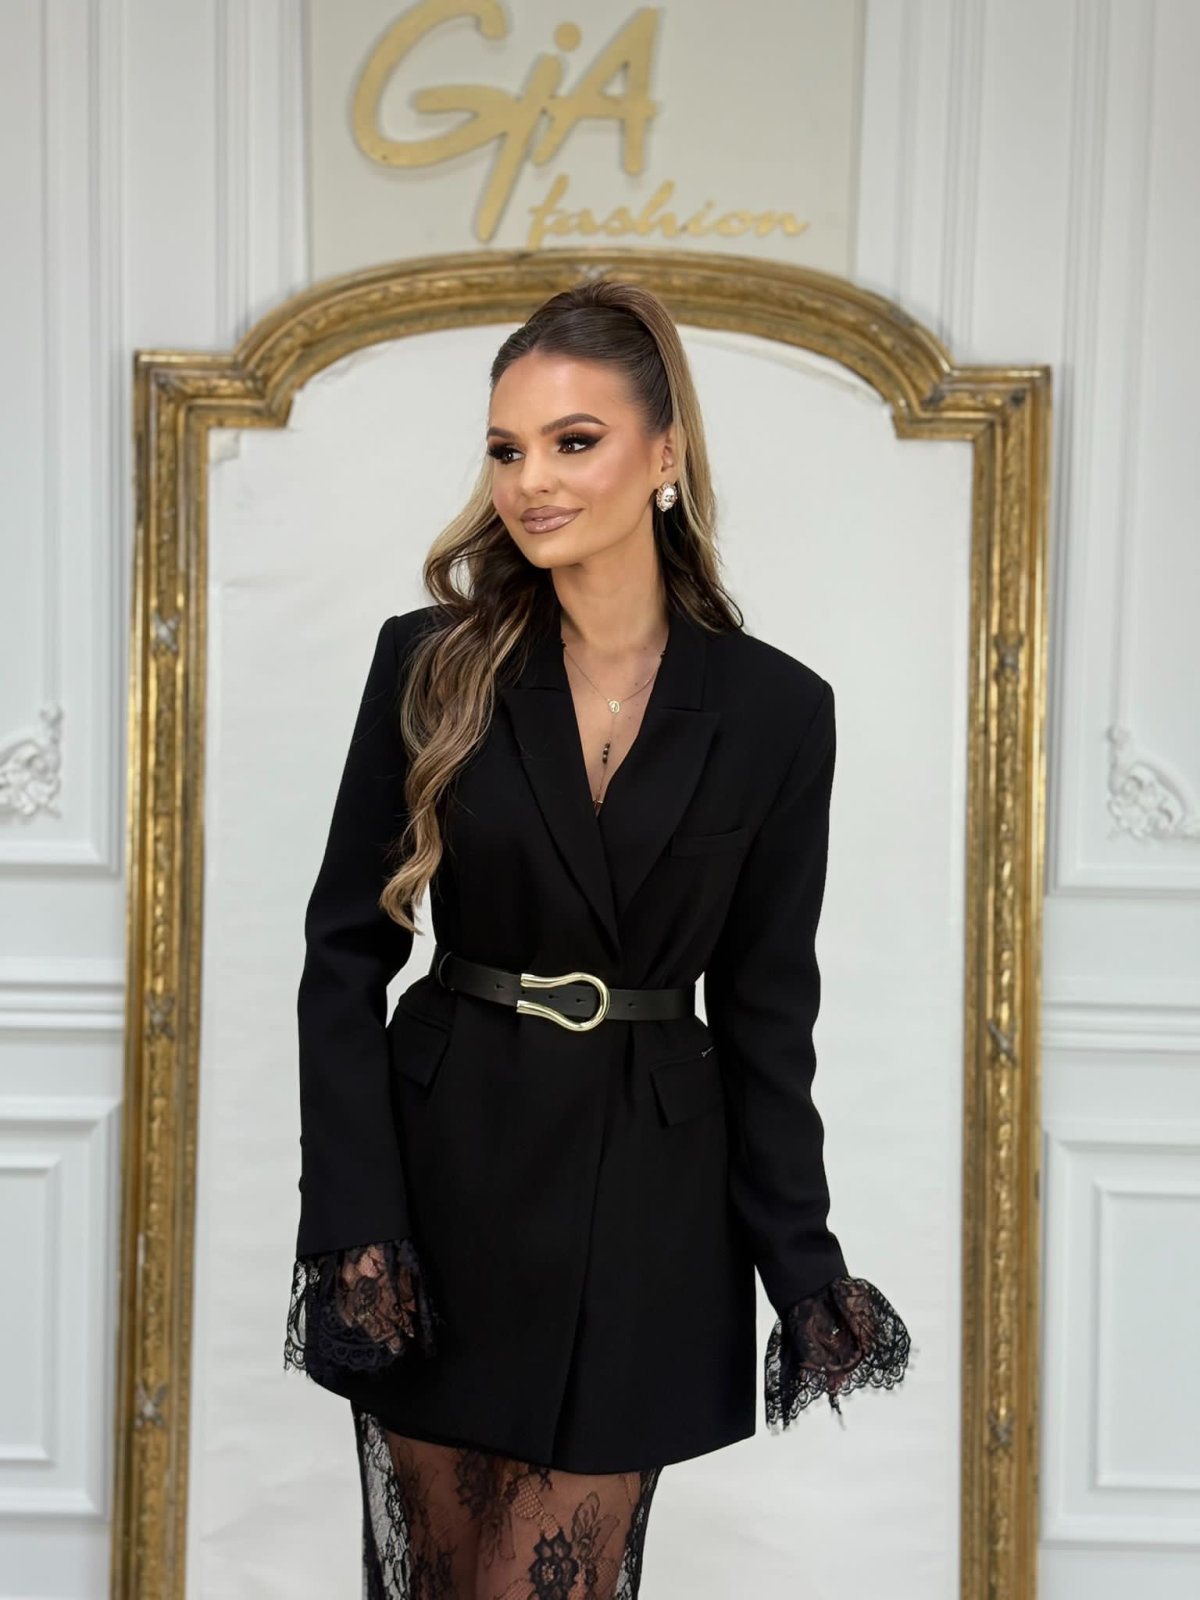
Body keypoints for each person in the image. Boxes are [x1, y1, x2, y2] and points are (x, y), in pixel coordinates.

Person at [283, 278, 912, 1597]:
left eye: (574, 442)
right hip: (445, 1186)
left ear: (664, 454)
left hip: (648, 1208)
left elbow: (766, 1011)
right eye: (506, 449)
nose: (532, 481)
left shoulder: (777, 712)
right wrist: (354, 1223)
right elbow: (343, 957)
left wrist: (803, 1264)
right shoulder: (433, 663)